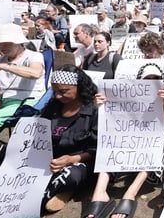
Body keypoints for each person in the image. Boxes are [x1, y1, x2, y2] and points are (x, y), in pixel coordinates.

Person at [84, 63, 164, 218]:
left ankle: (131, 193)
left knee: (162, 135)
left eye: (156, 78)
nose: (152, 81)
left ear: (162, 79)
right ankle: (100, 193)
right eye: (148, 78)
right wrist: (101, 107)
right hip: (140, 145)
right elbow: (113, 121)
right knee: (112, 136)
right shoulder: (129, 95)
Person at [40, 65, 101, 215]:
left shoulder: (94, 110)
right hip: (51, 159)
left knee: (71, 175)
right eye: (55, 92)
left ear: (79, 88)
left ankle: (38, 199)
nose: (58, 96)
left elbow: (97, 150)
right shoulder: (52, 108)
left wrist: (71, 159)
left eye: (63, 91)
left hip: (80, 162)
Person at [0, 24, 46, 152]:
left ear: (18, 42)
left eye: (6, 43)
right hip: (3, 101)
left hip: (28, 102)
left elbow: (35, 73)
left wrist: (5, 66)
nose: (1, 47)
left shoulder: (34, 56)